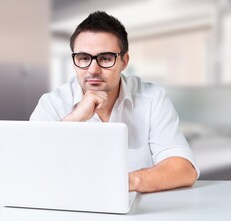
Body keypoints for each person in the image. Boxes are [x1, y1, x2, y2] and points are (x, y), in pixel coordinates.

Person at [30, 11, 199, 193]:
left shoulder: (153, 99)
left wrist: (126, 182)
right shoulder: (52, 103)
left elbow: (184, 168)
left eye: (105, 58)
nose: (93, 70)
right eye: (84, 58)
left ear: (124, 61)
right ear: (74, 60)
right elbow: (30, 165)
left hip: (137, 213)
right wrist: (75, 118)